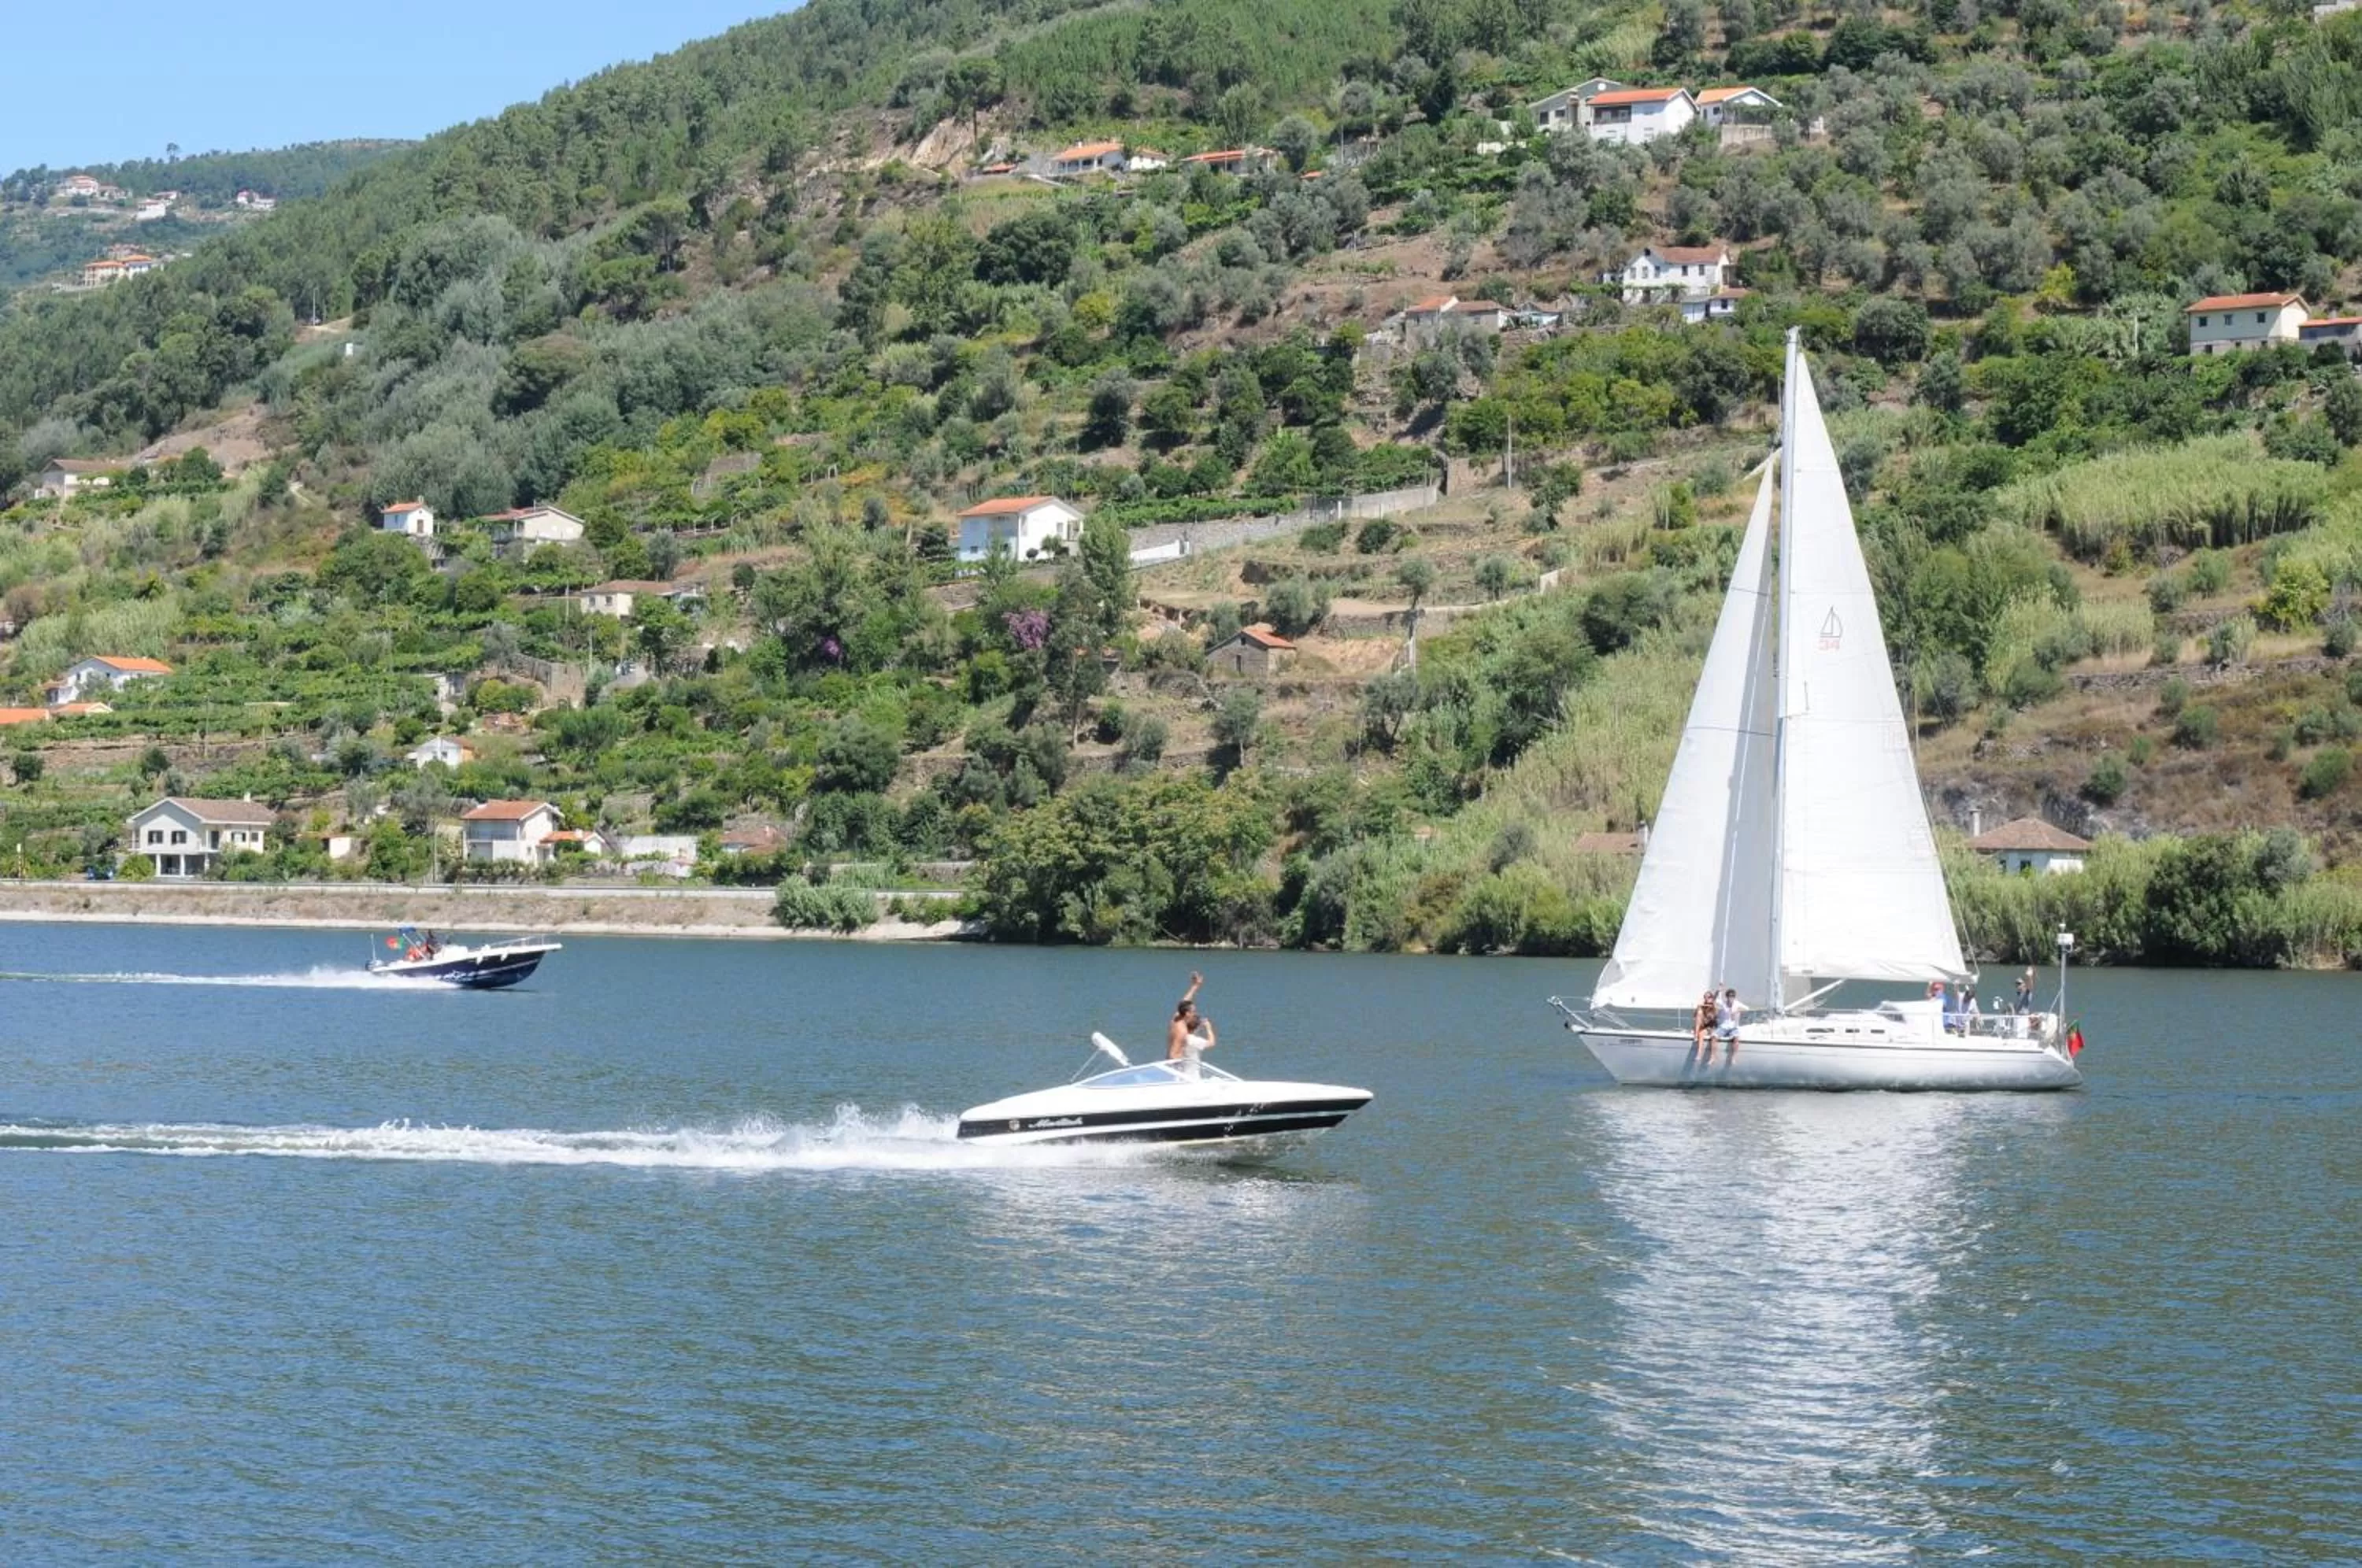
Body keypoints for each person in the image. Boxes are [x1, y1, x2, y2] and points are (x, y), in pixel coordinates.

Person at [1167, 971, 1216, 1078]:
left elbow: (1184, 1001)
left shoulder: (1176, 1018)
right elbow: (1172, 1054)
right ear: (1187, 1013)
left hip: (1176, 1068)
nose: (1195, 1013)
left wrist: (1195, 986)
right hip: (1179, 1071)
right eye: (1193, 1011)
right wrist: (1185, 1060)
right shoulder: (1182, 1032)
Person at [1713, 987, 1743, 1063]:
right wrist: (1718, 991)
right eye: (1730, 996)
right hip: (1723, 1027)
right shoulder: (1723, 1004)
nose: (1731, 997)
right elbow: (1714, 999)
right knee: (1714, 1037)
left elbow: (1747, 1008)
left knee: (1737, 1038)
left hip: (1733, 1027)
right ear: (1727, 996)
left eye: (1733, 996)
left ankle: (1733, 1058)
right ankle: (1713, 1057)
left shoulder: (1737, 1004)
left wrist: (1738, 1010)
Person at [1692, 989, 1718, 1060]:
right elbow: (1695, 1017)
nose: (1707, 998)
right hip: (1703, 1027)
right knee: (1701, 1033)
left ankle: (1711, 1057)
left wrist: (1718, 990)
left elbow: (1713, 1018)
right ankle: (1699, 1054)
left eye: (1709, 997)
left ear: (1712, 998)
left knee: (1705, 1033)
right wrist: (1698, 1008)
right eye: (1705, 997)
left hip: (1711, 1027)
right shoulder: (1702, 1006)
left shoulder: (1714, 1006)